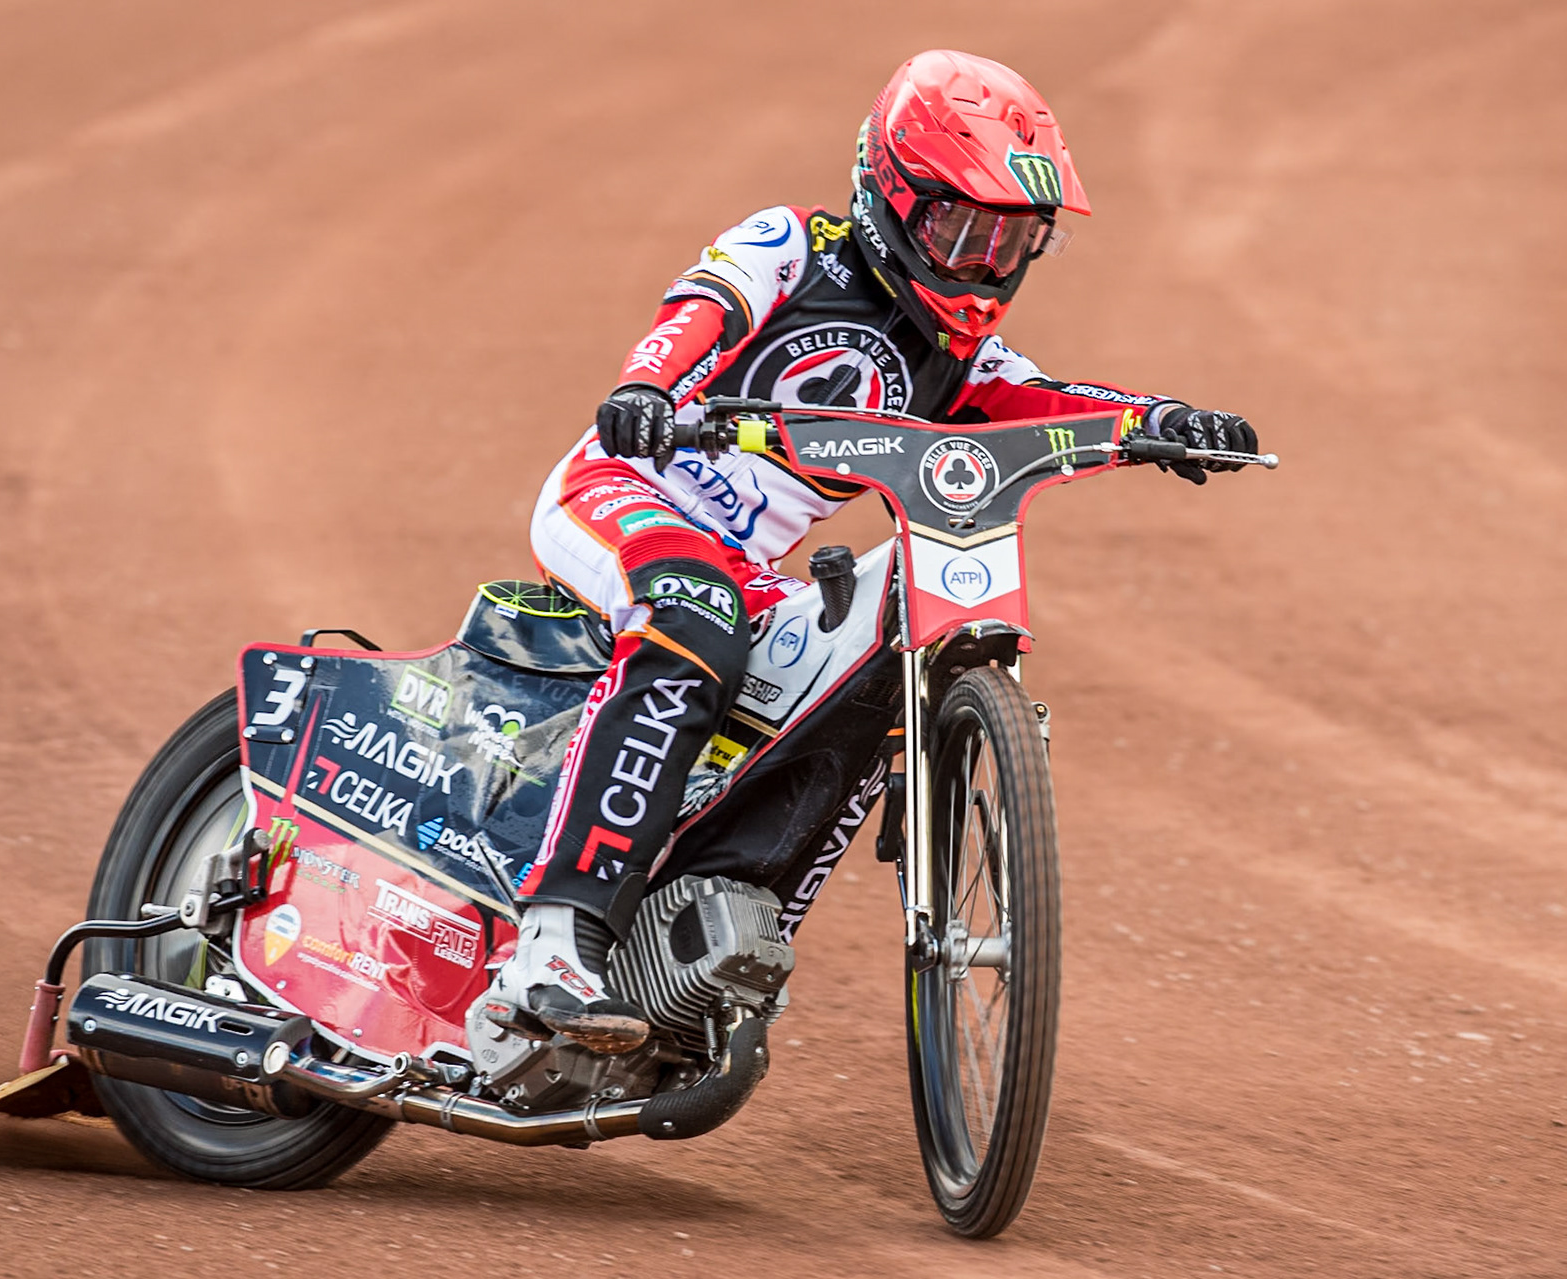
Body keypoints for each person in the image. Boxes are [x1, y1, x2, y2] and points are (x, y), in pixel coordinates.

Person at [474, 49, 1259, 1054]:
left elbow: (1043, 400)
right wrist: (649, 391)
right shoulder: (792, 245)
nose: (981, 263)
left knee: (876, 644)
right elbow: (701, 311)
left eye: (1010, 241)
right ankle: (554, 938)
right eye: (961, 228)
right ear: (892, 193)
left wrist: (1162, 420)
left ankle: (695, 945)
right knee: (694, 617)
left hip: (743, 568)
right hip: (622, 491)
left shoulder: (960, 356)